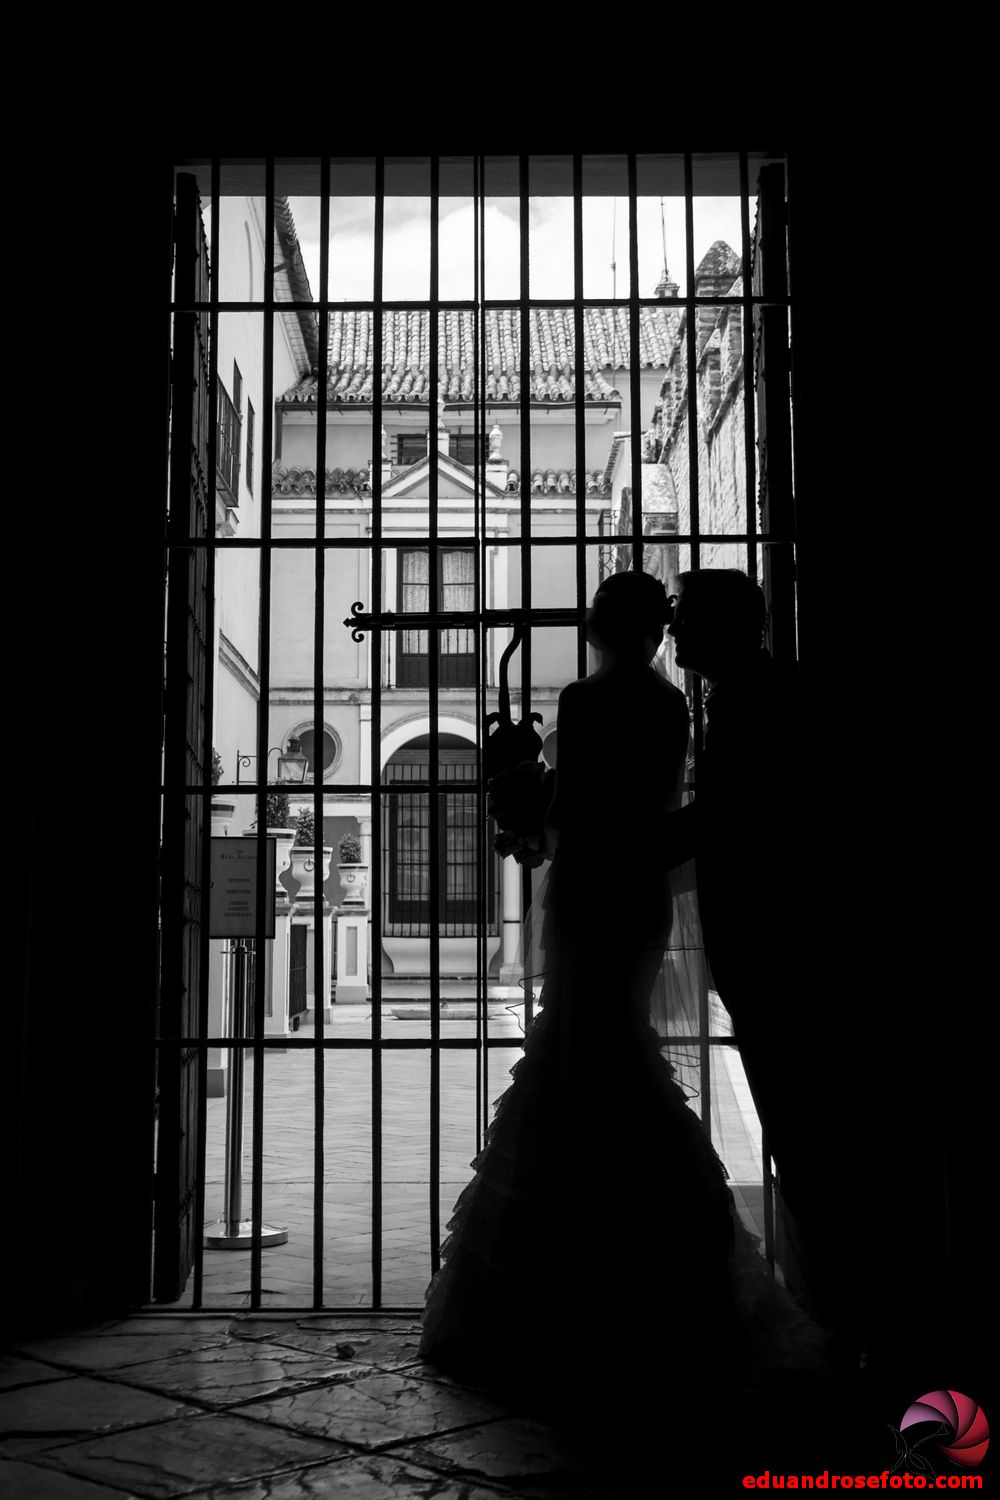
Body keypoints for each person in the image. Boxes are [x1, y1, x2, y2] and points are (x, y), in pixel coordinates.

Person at [418, 570, 831, 1464]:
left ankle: (563, 1300)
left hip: (587, 895)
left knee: (573, 1065)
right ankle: (667, 1279)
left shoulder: (582, 696)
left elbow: (572, 819)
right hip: (639, 902)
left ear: (603, 627)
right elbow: (669, 813)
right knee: (623, 1062)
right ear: (654, 631)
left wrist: (523, 793)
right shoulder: (682, 708)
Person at [661, 568, 866, 1351]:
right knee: (803, 1126)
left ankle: (844, 1315)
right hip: (767, 947)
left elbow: (729, 817)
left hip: (784, 948)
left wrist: (621, 852)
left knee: (809, 1128)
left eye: (684, 618)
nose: (673, 631)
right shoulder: (745, 693)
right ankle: (837, 1305)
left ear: (724, 625)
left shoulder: (756, 700)